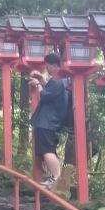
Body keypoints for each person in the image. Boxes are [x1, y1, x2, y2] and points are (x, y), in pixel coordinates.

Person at [29, 52, 73, 187]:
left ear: (54, 65)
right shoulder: (65, 80)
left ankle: (56, 178)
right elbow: (52, 92)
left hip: (46, 121)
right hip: (55, 120)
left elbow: (45, 95)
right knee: (49, 149)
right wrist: (42, 80)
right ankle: (55, 177)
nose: (47, 69)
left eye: (48, 66)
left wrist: (37, 85)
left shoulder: (57, 80)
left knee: (47, 150)